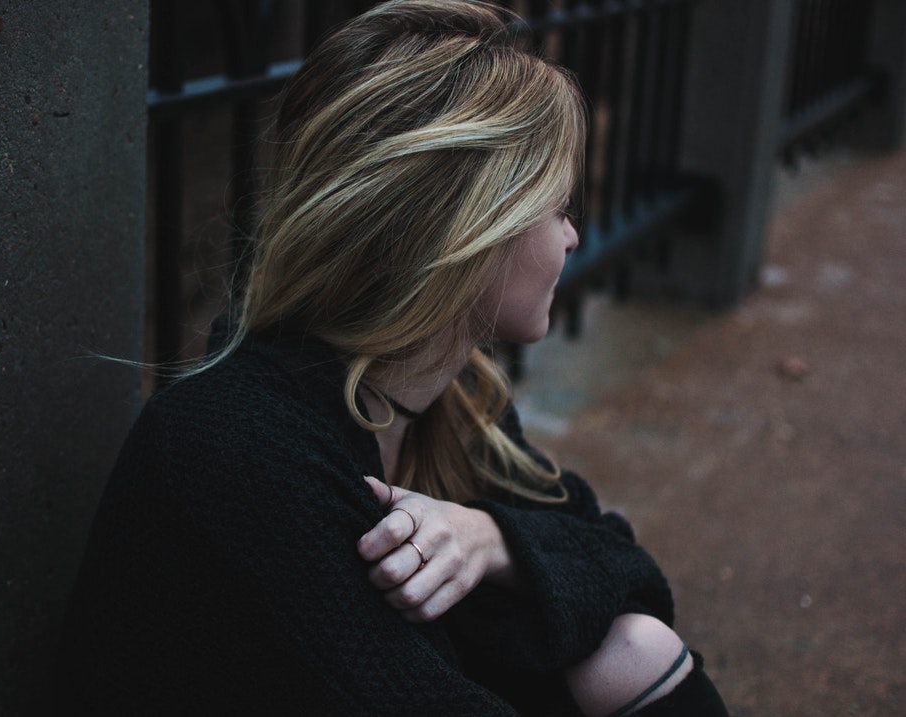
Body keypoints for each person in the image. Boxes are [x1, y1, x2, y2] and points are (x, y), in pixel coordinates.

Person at [56, 1, 729, 714]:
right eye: (558, 205)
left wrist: (491, 539)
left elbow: (633, 577)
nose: (570, 236)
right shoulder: (234, 445)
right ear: (468, 224)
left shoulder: (445, 395)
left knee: (632, 649)